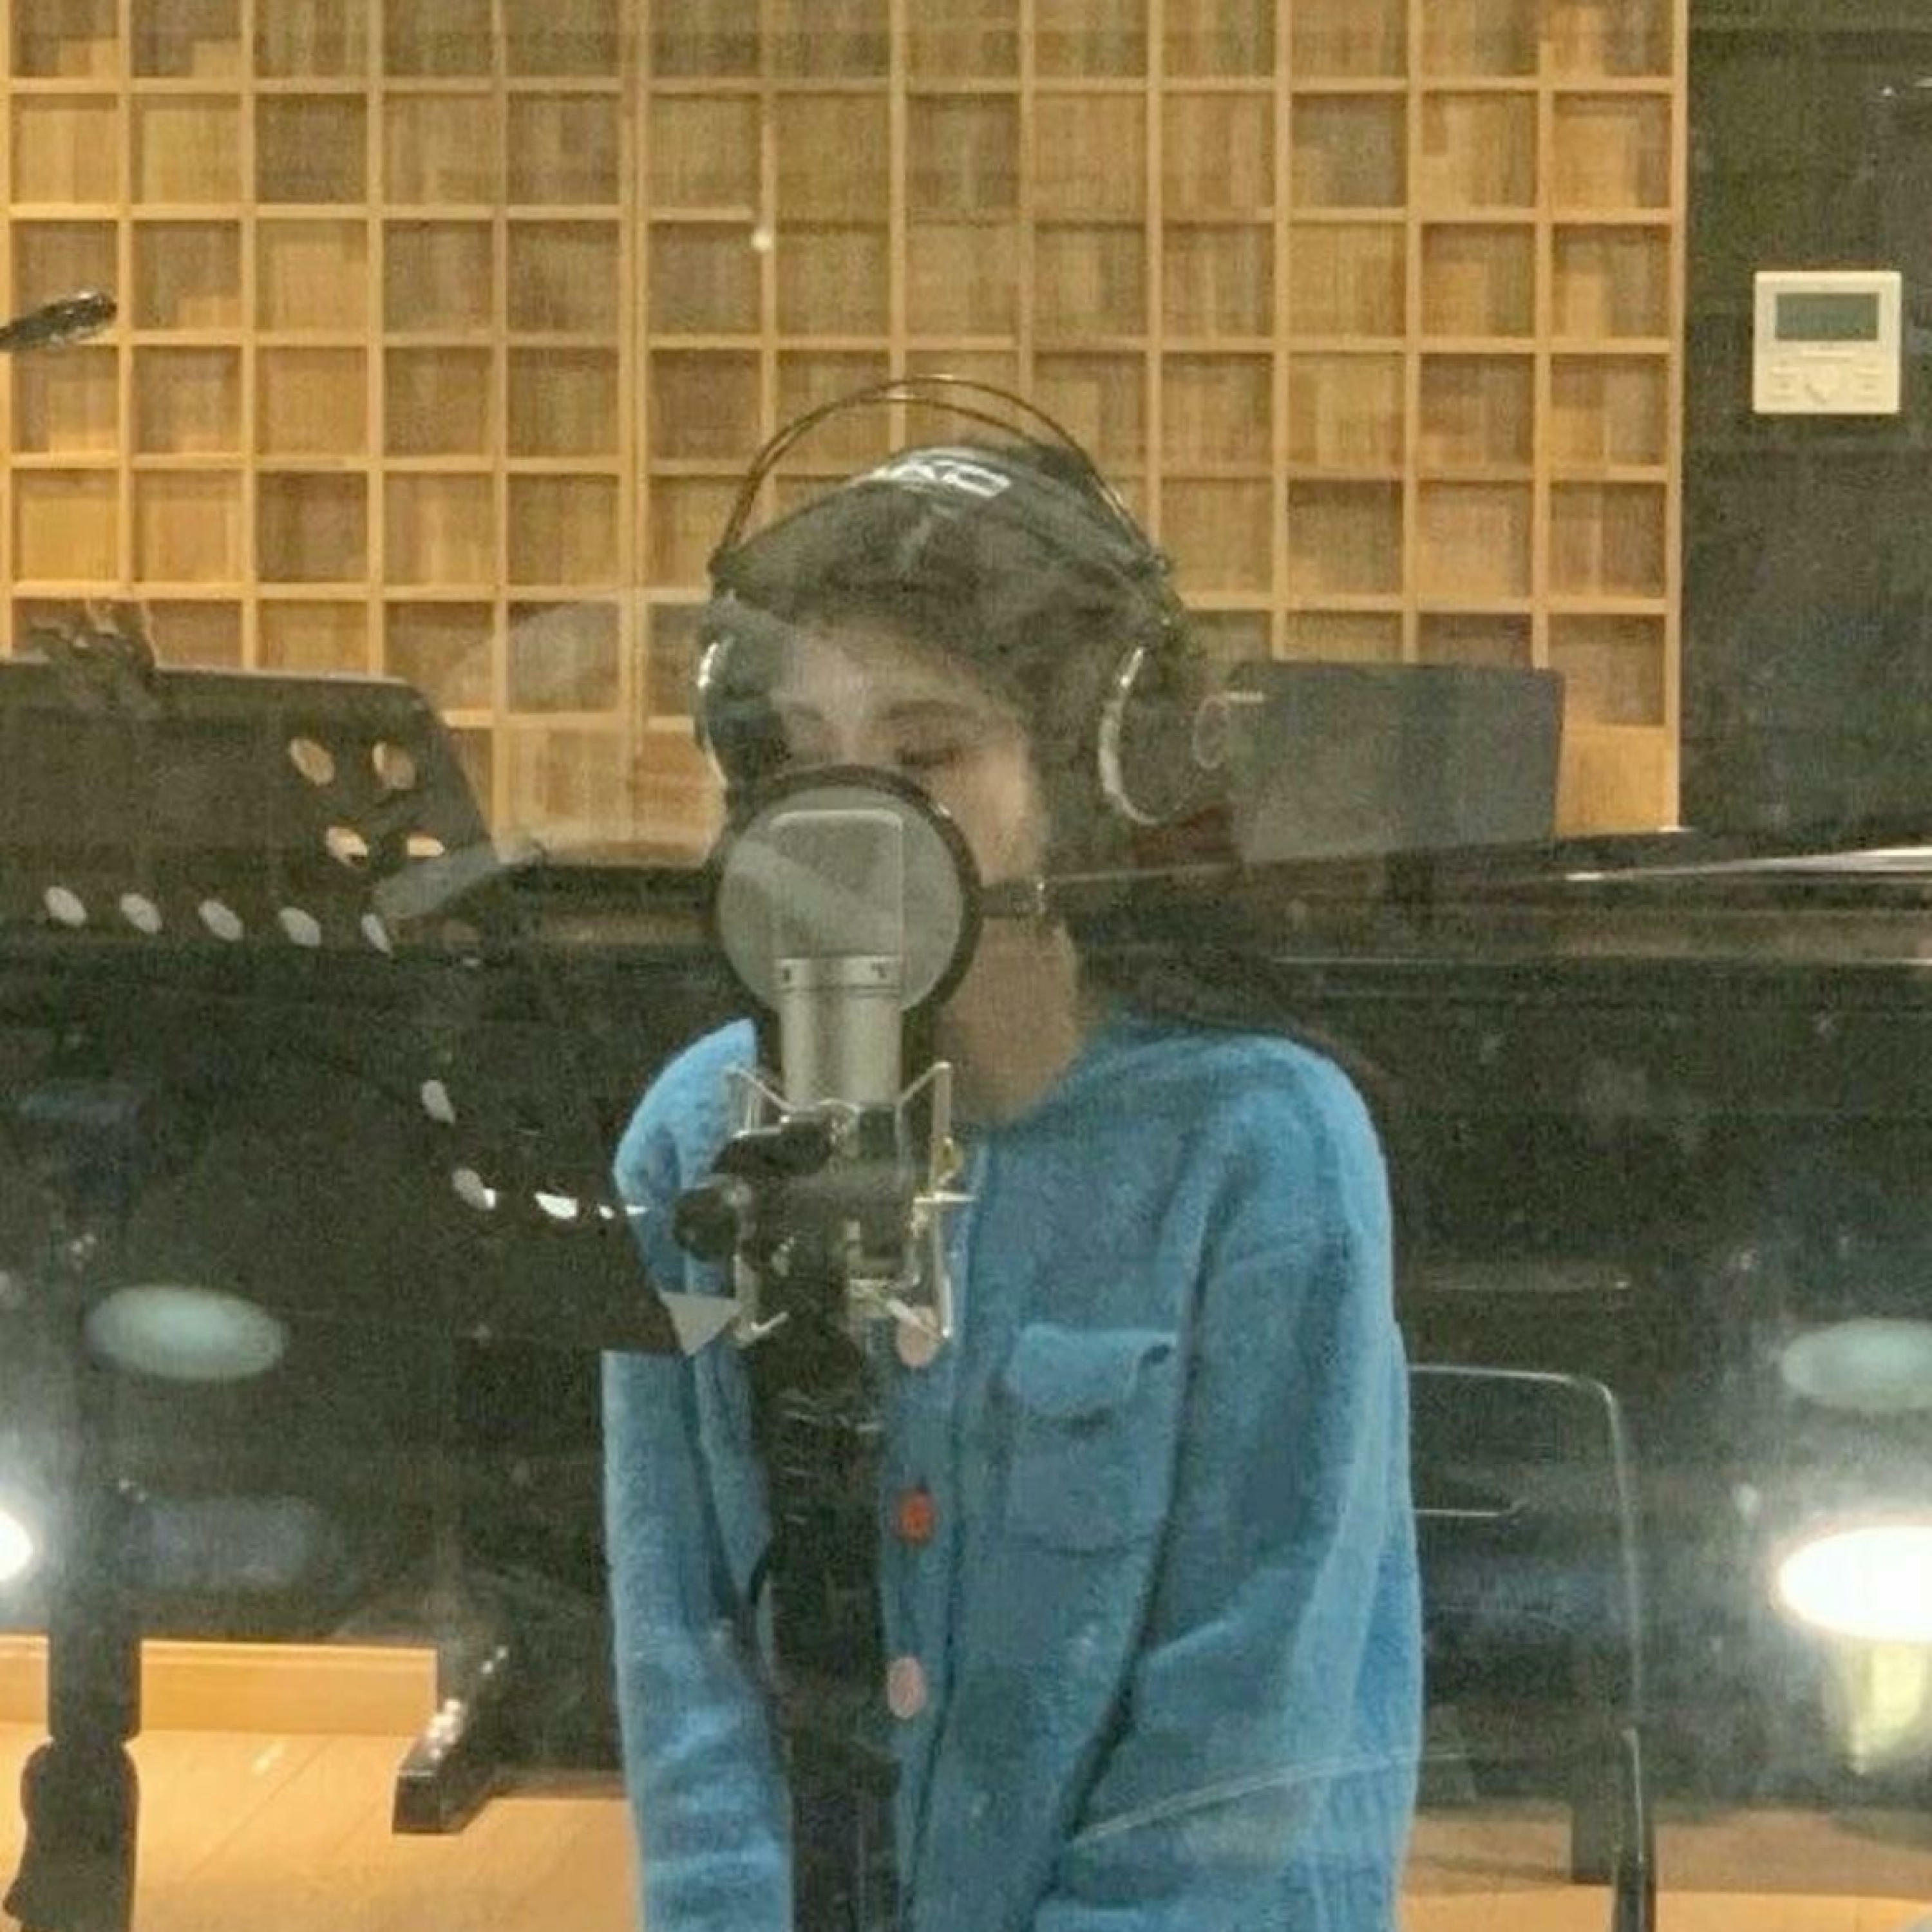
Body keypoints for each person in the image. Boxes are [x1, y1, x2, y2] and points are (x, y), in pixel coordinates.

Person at [602, 399, 1422, 1931]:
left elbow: (1246, 1718)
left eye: (926, 754)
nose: (847, 819)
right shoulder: (698, 1133)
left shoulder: (1263, 1147)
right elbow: (683, 1651)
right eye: (798, 759)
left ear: (1090, 779)